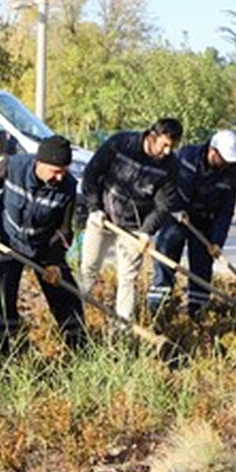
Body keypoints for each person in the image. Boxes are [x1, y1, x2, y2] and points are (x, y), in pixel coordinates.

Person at [0, 135, 85, 354]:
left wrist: (54, 262)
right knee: (2, 298)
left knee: (66, 295)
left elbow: (64, 230)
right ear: (40, 163)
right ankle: (5, 351)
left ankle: (79, 349)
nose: (60, 177)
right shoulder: (12, 166)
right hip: (6, 241)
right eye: (56, 171)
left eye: (64, 170)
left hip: (43, 246)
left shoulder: (68, 186)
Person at [78, 117, 182, 321]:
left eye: (173, 146)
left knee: (128, 278)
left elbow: (164, 205)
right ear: (152, 136)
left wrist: (146, 231)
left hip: (134, 227)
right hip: (103, 217)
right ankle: (73, 317)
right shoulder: (121, 144)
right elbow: (92, 173)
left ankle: (123, 330)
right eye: (165, 145)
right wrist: (94, 207)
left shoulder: (170, 167)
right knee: (88, 270)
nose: (168, 151)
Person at [147, 129, 236, 318]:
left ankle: (197, 313)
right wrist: (176, 208)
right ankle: (158, 310)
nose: (225, 164)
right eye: (223, 158)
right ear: (212, 151)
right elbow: (168, 186)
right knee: (165, 254)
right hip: (177, 215)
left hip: (204, 218)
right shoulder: (187, 157)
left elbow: (226, 209)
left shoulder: (231, 170)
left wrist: (217, 241)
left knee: (202, 266)